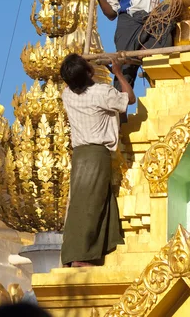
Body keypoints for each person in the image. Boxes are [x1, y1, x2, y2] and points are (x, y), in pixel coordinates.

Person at [60, 53, 135, 268]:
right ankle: (80, 257)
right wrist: (119, 73)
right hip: (96, 155)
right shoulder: (101, 93)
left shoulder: (67, 94)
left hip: (80, 155)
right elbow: (129, 98)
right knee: (91, 204)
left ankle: (91, 252)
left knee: (90, 201)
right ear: (89, 72)